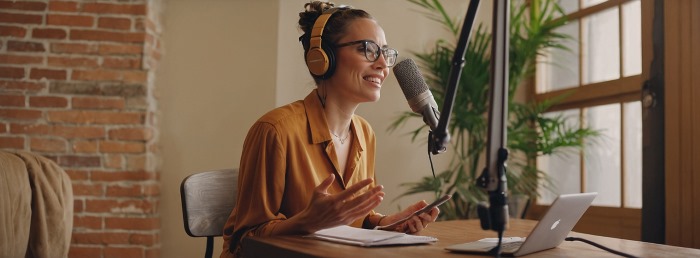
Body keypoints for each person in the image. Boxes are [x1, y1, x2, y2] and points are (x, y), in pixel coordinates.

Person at [220, 1, 440, 257]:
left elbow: (355, 222)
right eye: (367, 49)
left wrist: (386, 224)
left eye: (385, 53)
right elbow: (243, 243)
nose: (383, 64)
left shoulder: (364, 133)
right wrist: (305, 222)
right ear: (322, 58)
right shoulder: (275, 131)